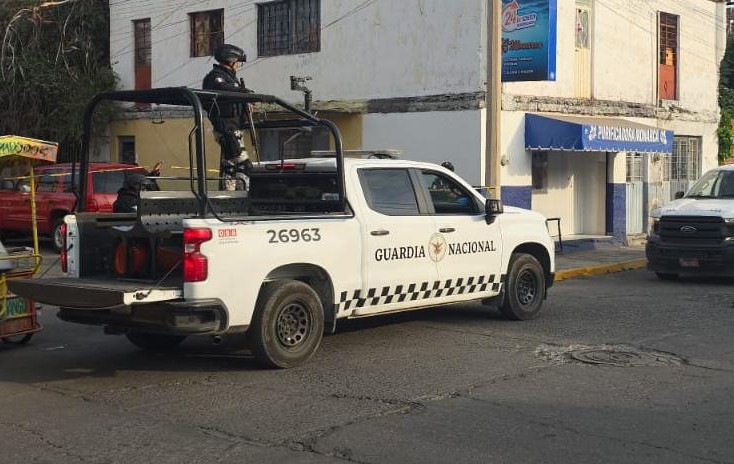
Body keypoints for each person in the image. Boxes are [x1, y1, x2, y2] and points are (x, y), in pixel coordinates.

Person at [202, 43, 253, 191]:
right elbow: (223, 89)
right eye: (238, 62)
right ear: (231, 61)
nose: (239, 66)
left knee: (229, 165)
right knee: (244, 165)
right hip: (226, 128)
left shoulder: (231, 79)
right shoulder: (215, 77)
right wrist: (245, 93)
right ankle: (244, 195)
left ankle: (228, 195)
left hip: (234, 127)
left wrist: (245, 102)